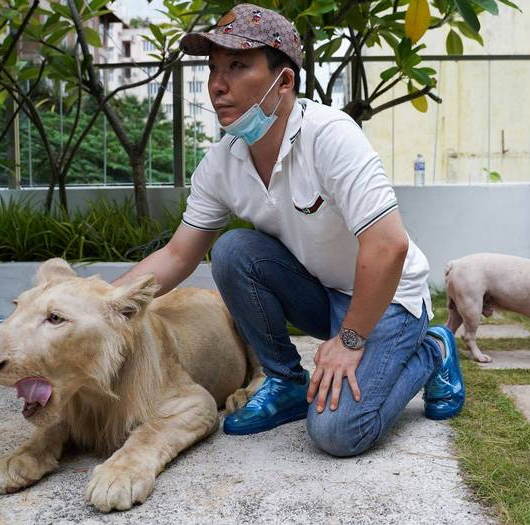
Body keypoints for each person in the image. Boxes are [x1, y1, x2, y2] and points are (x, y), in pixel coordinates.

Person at [113, 3, 465, 457]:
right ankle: (285, 381)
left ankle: (433, 348)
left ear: (284, 82)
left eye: (238, 66)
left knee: (338, 433)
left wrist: (350, 341)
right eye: (214, 68)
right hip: (320, 293)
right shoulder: (222, 162)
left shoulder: (331, 136)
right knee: (234, 250)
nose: (218, 85)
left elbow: (389, 246)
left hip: (385, 296)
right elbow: (179, 255)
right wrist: (99, 305)